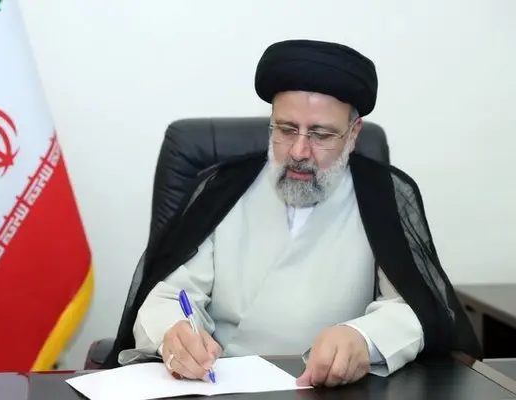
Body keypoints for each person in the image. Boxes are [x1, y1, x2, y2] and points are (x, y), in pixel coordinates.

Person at [102, 39, 482, 387]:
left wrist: (363, 338)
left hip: (333, 391)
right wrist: (175, 333)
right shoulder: (221, 188)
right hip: (219, 386)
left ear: (353, 134)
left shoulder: (382, 194)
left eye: (320, 134)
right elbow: (171, 295)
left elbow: (415, 308)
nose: (299, 151)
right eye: (286, 129)